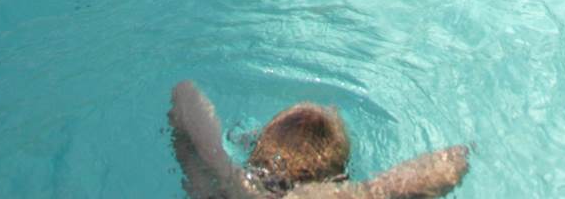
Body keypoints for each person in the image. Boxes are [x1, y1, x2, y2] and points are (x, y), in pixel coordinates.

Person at [169, 80, 469, 198]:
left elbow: (184, 95)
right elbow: (452, 165)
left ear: (256, 146)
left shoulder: (220, 187)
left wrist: (223, 164)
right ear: (339, 176)